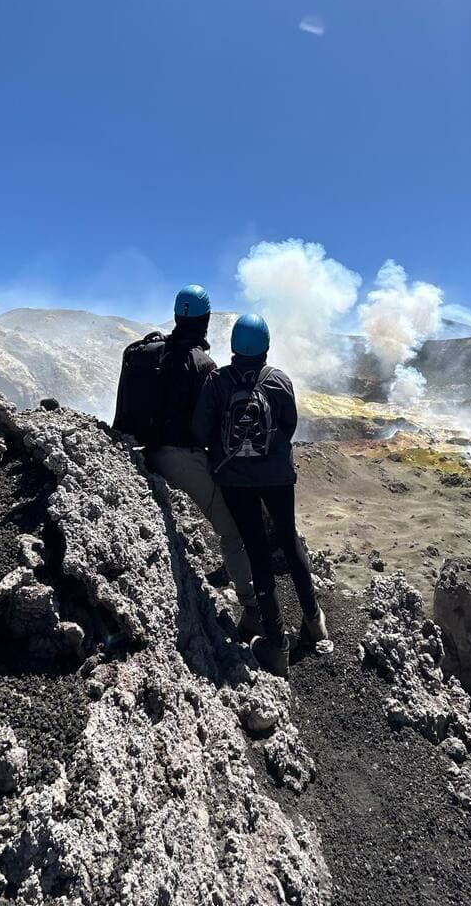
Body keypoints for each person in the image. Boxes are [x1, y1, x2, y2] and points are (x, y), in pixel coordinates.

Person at [113, 285, 261, 639]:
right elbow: (204, 428)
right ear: (205, 321)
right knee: (232, 529)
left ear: (178, 317)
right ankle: (252, 608)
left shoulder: (144, 351)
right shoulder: (203, 365)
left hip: (140, 451)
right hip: (179, 457)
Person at [192, 313, 328, 677]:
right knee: (289, 539)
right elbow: (288, 425)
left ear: (234, 346)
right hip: (278, 478)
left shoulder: (218, 381)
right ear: (266, 346)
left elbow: (199, 429)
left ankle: (276, 645)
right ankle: (315, 623)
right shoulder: (280, 381)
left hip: (235, 481)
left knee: (257, 552)